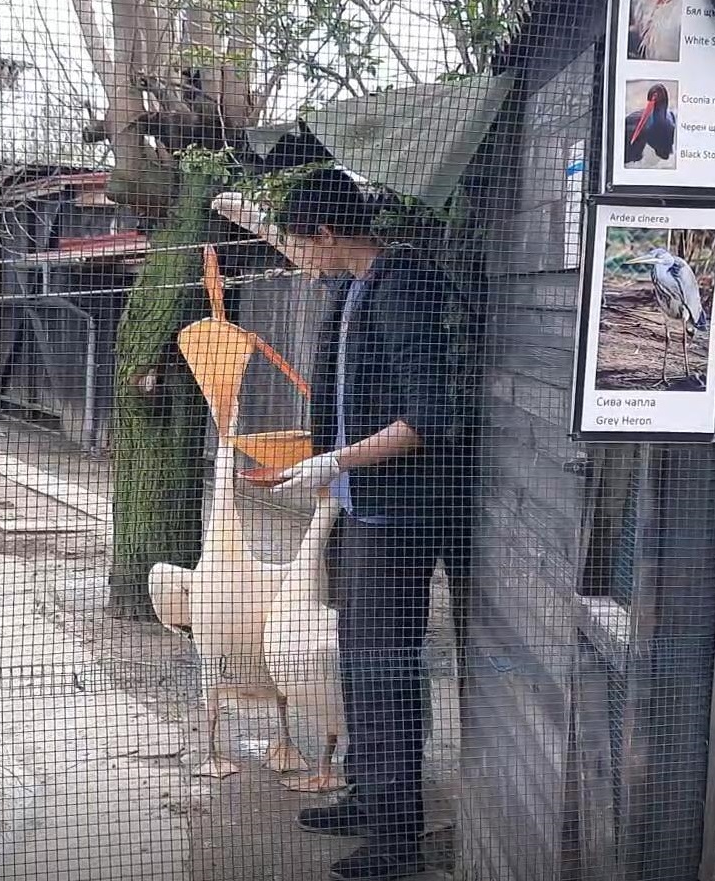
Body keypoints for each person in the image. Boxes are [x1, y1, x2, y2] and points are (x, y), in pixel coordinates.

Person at [213, 167, 463, 881]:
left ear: (324, 232)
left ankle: (395, 839)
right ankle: (367, 795)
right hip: (358, 508)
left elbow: (425, 417)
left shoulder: (402, 285)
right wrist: (323, 462)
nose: (297, 258)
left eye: (298, 242)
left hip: (397, 514)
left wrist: (334, 461)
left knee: (383, 673)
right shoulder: (354, 286)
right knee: (355, 665)